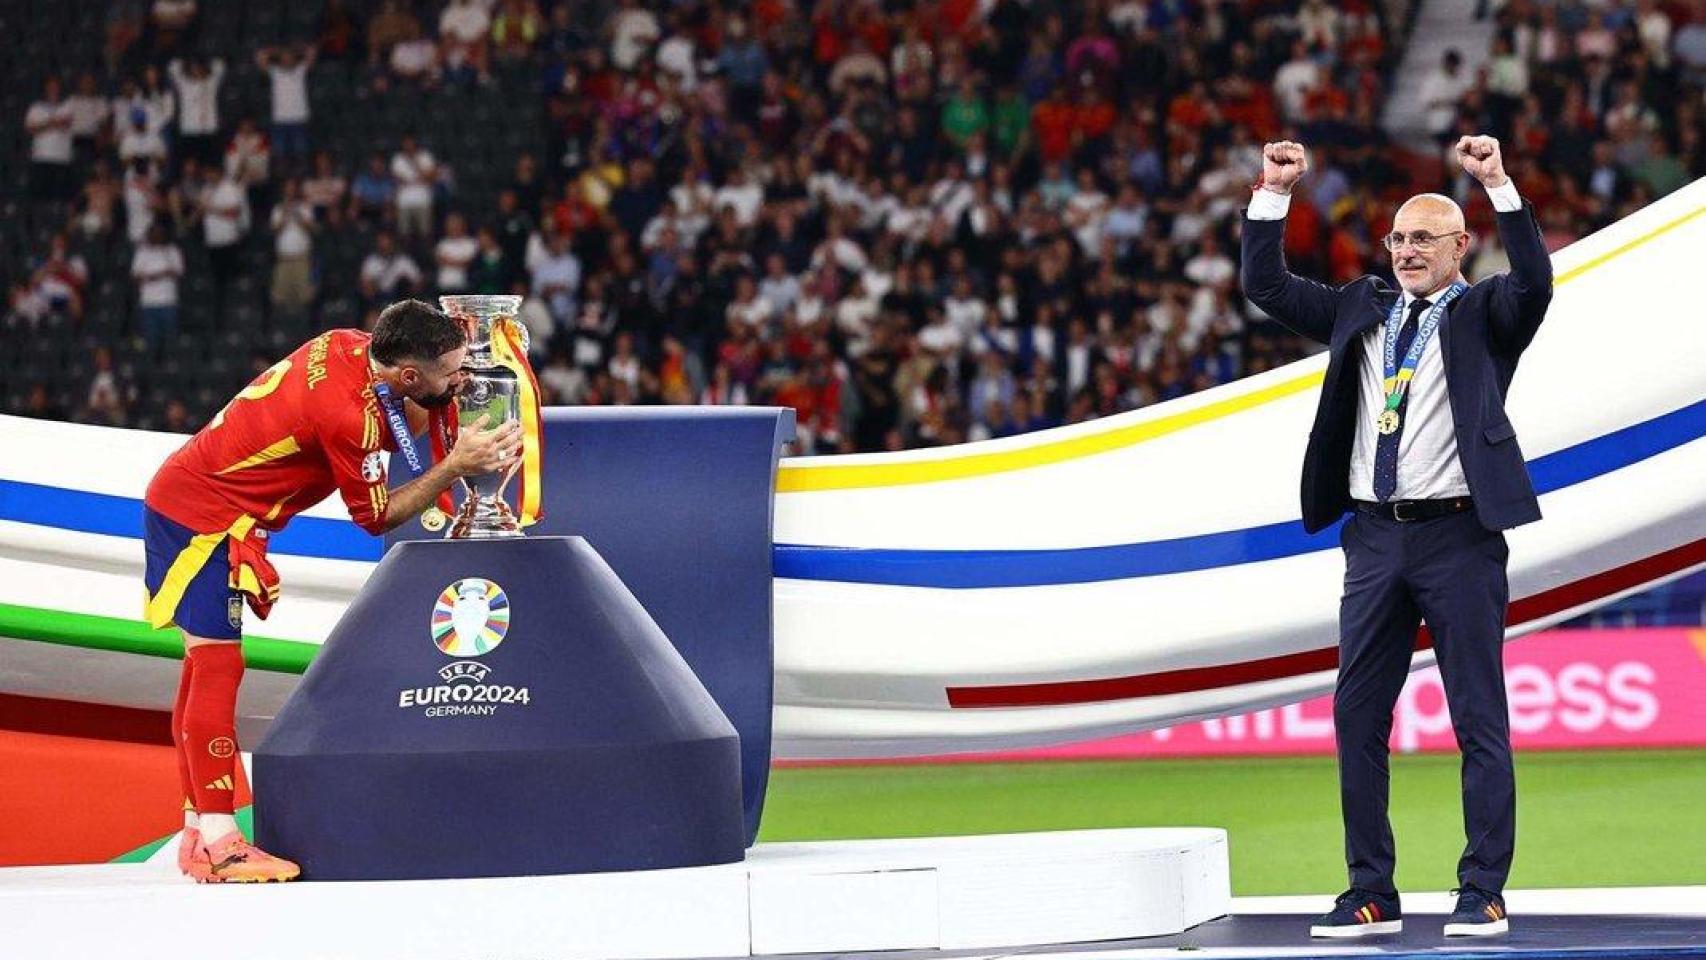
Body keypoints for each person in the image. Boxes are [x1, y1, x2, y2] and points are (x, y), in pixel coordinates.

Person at [1241, 136, 1552, 939]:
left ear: (1461, 248)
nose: (1408, 250)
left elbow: (1536, 282)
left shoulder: (1487, 312)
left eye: (1425, 239)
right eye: (1399, 239)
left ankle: (1482, 888)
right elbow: (1265, 283)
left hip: (1460, 536)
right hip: (1374, 539)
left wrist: (1496, 183)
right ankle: (1370, 889)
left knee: (1478, 717)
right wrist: (1275, 194)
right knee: (1356, 715)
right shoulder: (1360, 305)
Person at [142, 300, 522, 882]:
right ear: (410, 375)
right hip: (207, 519)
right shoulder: (351, 418)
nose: (459, 379)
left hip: (194, 497)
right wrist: (453, 468)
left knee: (201, 666)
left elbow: (403, 411)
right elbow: (375, 516)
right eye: (449, 373)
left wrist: (448, 387)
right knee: (217, 666)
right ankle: (220, 842)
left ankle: (199, 828)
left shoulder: (347, 343)